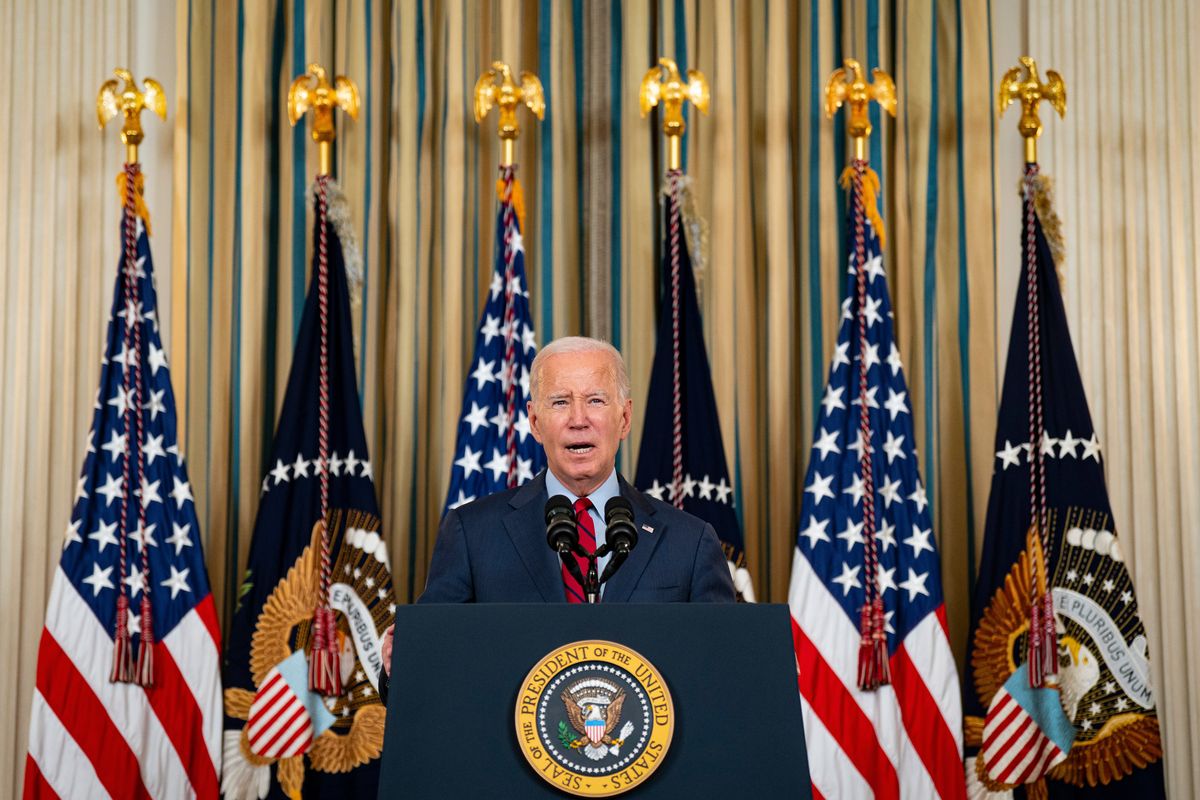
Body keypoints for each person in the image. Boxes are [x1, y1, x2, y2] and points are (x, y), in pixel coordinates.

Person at [379, 336, 735, 683]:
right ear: (535, 422)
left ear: (624, 418)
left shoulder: (691, 542)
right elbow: (428, 674)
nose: (578, 419)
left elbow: (722, 673)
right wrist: (404, 664)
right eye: (560, 402)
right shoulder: (472, 534)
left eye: (595, 400)